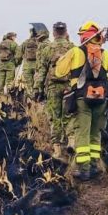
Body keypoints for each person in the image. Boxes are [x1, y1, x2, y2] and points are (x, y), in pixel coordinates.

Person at [55, 21, 108, 179]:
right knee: (95, 134)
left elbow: (59, 72)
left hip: (81, 99)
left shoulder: (75, 52)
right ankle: (95, 166)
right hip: (102, 99)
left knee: (82, 133)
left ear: (84, 36)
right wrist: (106, 84)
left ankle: (84, 170)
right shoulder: (106, 54)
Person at [34, 22, 76, 159]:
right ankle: (71, 140)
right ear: (66, 32)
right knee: (69, 115)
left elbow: (41, 71)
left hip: (52, 87)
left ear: (53, 33)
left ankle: (57, 150)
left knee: (55, 118)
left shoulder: (48, 48)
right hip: (69, 86)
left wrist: (38, 88)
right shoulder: (72, 48)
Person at [0, 32, 19, 96]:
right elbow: (18, 55)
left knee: (1, 81)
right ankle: (8, 96)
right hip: (10, 65)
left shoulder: (0, 44)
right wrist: (16, 63)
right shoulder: (14, 44)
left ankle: (0, 96)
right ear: (11, 37)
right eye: (14, 37)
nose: (15, 38)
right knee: (9, 81)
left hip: (1, 65)